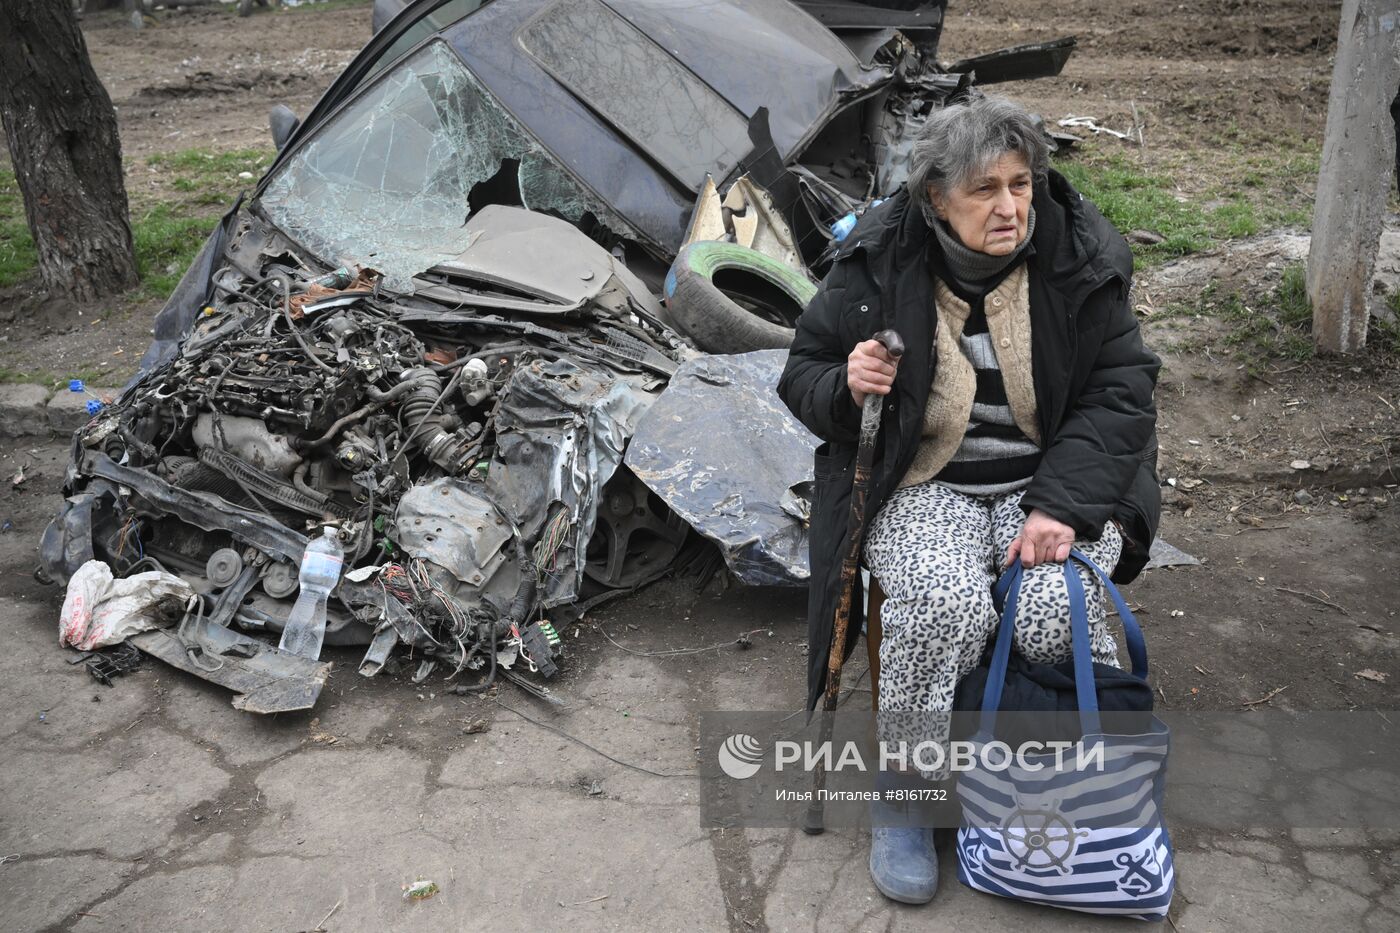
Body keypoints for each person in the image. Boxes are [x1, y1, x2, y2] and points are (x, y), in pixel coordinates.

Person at [777, 95, 1161, 905]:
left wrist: (1061, 506)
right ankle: (910, 793)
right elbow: (801, 371)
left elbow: (1122, 389)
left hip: (1052, 485)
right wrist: (846, 386)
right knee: (934, 597)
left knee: (1056, 607)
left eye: (1021, 183)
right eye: (985, 189)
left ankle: (1041, 781)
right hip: (927, 485)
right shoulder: (880, 261)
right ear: (935, 199)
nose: (1011, 207)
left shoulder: (1076, 254)